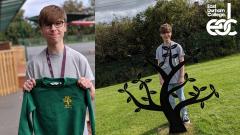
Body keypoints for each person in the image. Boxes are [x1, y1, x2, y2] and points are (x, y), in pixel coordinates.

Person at [22, 5, 95, 135]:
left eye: (58, 23)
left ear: (65, 26)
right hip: (47, 130)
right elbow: (29, 100)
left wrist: (89, 87)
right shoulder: (33, 65)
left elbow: (92, 96)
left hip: (76, 129)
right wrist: (27, 89)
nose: (53, 29)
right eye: (48, 24)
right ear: (41, 29)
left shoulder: (79, 60)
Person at [155, 23, 190, 124]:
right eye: (164, 33)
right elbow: (159, 66)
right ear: (161, 35)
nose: (166, 35)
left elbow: (182, 63)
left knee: (181, 98)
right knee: (170, 100)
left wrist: (182, 76)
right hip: (167, 81)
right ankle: (175, 117)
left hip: (178, 79)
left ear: (171, 33)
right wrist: (161, 79)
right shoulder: (158, 49)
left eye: (168, 32)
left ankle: (185, 117)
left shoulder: (177, 47)